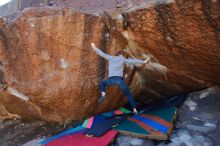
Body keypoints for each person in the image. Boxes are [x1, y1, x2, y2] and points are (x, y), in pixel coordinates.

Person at [91, 43, 150, 114]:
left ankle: (103, 94)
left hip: (110, 80)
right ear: (121, 55)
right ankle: (135, 110)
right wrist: (143, 61)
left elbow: (102, 54)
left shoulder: (110, 58)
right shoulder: (122, 59)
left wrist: (94, 47)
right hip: (120, 81)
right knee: (128, 95)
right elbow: (132, 61)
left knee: (102, 83)